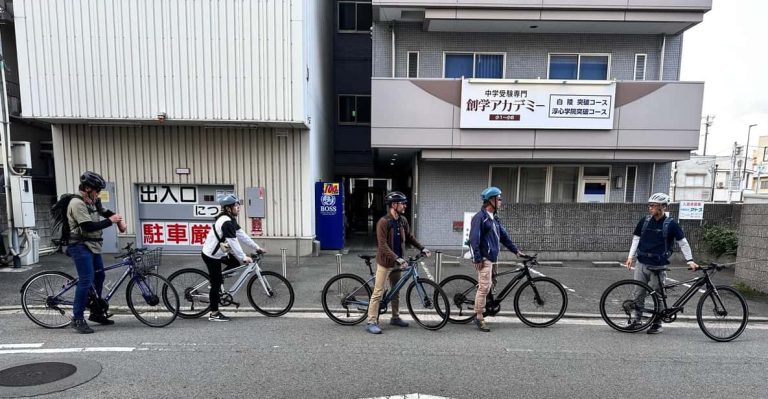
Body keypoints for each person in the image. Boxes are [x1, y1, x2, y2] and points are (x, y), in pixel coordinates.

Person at [625, 192, 699, 334]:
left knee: (657, 295)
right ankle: (637, 320)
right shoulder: (645, 221)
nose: (650, 208)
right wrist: (630, 257)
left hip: (658, 265)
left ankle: (657, 323)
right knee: (638, 293)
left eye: (654, 206)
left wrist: (690, 261)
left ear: (663, 207)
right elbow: (636, 239)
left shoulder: (671, 224)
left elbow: (683, 243)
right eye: (650, 205)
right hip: (641, 262)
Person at [68, 171, 127, 334]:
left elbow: (106, 212)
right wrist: (110, 221)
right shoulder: (77, 203)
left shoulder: (94, 201)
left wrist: (118, 220)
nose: (98, 194)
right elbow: (88, 227)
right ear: (87, 188)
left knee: (100, 276)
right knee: (86, 280)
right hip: (80, 245)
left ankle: (96, 312)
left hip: (93, 245)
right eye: (97, 190)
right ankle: (77, 318)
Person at [365, 191, 430, 334]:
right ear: (394, 205)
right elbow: (382, 245)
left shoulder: (402, 220)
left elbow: (410, 237)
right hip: (385, 263)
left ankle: (395, 317)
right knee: (378, 292)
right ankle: (371, 321)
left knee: (395, 290)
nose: (405, 205)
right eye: (402, 203)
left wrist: (422, 248)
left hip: (397, 262)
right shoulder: (383, 222)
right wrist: (397, 258)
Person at [201, 194, 266, 321]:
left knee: (234, 264)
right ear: (228, 208)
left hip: (220, 253)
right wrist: (243, 257)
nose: (238, 207)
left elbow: (242, 235)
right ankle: (214, 314)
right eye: (235, 205)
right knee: (216, 284)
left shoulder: (230, 219)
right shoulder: (226, 222)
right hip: (211, 256)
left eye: (238, 205)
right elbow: (233, 241)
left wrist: (257, 247)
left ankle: (218, 280)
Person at [469, 186, 524, 332]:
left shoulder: (495, 218)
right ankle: (478, 316)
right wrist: (477, 258)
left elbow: (504, 237)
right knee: (484, 287)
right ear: (491, 200)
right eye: (498, 199)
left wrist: (516, 251)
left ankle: (485, 305)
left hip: (493, 257)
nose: (500, 201)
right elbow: (474, 239)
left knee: (491, 284)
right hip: (484, 258)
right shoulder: (480, 217)